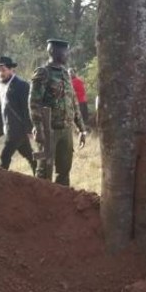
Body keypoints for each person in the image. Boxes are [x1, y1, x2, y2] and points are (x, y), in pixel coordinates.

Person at [29, 39, 87, 186]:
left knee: (64, 171)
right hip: (49, 130)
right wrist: (39, 128)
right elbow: (34, 102)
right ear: (54, 52)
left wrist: (82, 129)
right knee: (44, 172)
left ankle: (62, 204)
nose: (67, 55)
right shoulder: (43, 73)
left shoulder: (66, 74)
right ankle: (41, 203)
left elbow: (73, 102)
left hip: (66, 130)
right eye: (65, 51)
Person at [0, 56, 37, 175]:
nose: (0, 73)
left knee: (4, 156)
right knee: (29, 155)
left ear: (12, 70)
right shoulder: (1, 85)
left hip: (18, 130)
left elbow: (27, 109)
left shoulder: (22, 85)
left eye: (3, 70)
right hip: (9, 128)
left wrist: (30, 129)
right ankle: (40, 176)